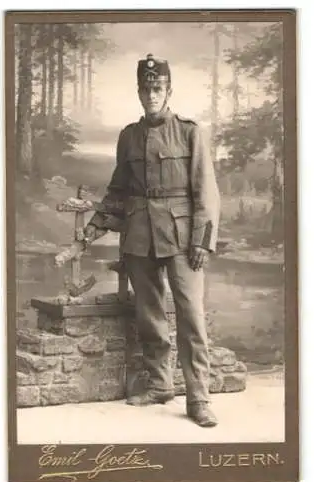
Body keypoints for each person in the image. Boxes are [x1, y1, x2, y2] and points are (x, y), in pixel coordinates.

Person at [84, 54, 221, 427]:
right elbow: (119, 188)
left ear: (169, 90)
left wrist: (201, 242)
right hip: (139, 235)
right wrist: (97, 223)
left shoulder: (191, 132)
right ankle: (160, 385)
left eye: (157, 88)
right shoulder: (129, 136)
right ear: (138, 92)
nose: (151, 94)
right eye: (145, 88)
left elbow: (206, 193)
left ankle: (199, 398)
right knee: (150, 316)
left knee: (191, 317)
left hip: (181, 238)